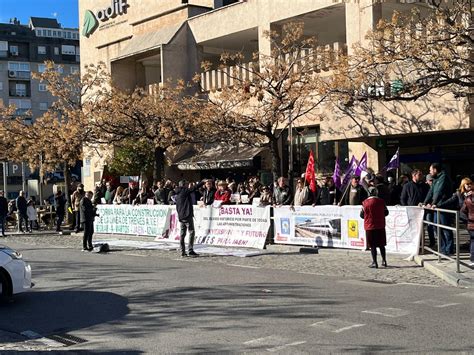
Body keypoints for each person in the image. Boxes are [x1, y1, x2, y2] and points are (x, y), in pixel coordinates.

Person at [423, 163, 454, 255]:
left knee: (445, 228)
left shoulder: (443, 177)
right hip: (437, 207)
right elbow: (431, 192)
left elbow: (439, 192)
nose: (429, 171)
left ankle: (449, 249)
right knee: (437, 228)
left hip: (443, 206)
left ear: (435, 170)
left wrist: (433, 203)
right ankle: (442, 248)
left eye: (430, 170)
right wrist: (425, 202)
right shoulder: (436, 179)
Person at [175, 179, 205, 257]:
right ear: (184, 185)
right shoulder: (184, 191)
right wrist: (202, 182)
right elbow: (193, 188)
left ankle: (182, 251)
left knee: (182, 234)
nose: (188, 186)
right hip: (187, 215)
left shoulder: (177, 193)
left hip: (181, 216)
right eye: (187, 184)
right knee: (191, 232)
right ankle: (190, 250)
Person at [360, 187, 389, 268]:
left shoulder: (365, 203)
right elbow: (386, 212)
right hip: (380, 225)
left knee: (372, 245)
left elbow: (362, 215)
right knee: (381, 245)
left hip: (370, 226)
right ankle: (384, 261)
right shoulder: (381, 201)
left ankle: (374, 262)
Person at [460, 180, 474, 265]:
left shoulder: (467, 198)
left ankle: (472, 258)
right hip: (470, 221)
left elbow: (463, 211)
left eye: (470, 184)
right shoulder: (463, 195)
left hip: (470, 221)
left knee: (473, 240)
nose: (469, 185)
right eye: (467, 184)